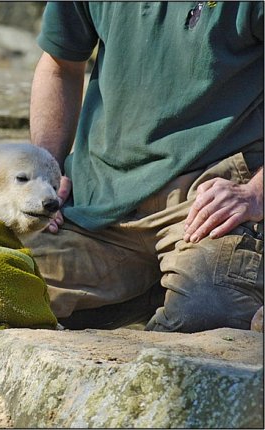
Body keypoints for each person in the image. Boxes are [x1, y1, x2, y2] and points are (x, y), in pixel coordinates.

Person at [26, 1, 263, 332]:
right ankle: (152, 287)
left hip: (208, 201)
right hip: (98, 206)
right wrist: (45, 173)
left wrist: (256, 192)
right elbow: (59, 65)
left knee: (207, 319)